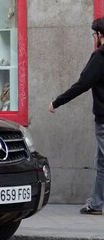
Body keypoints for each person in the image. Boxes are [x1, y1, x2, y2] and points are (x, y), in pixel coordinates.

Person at [49, 17, 104, 215]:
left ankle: (96, 204)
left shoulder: (100, 57)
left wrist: (57, 101)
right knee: (101, 161)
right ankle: (96, 204)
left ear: (100, 35)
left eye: (95, 35)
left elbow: (82, 84)